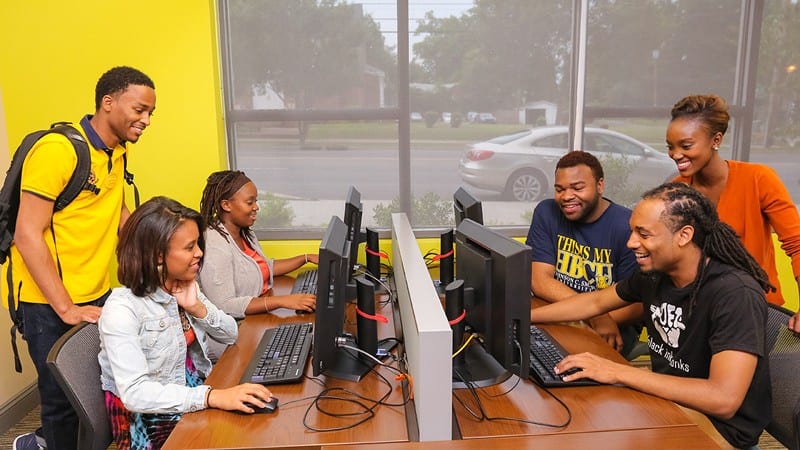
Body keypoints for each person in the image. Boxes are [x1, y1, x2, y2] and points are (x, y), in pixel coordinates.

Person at [531, 182, 772, 450]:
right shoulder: (656, 274)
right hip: (670, 406)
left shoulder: (734, 294)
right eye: (633, 231)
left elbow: (723, 400)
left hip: (717, 433)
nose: (631, 242)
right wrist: (524, 317)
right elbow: (594, 302)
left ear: (684, 235)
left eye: (643, 234)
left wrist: (618, 372)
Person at [6, 66, 155, 450]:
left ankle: (40, 443)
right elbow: (27, 233)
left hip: (96, 292)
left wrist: (157, 262)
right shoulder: (57, 151)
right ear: (108, 103)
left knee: (101, 389)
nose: (146, 120)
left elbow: (117, 215)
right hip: (46, 302)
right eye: (139, 109)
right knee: (61, 404)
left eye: (151, 113)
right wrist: (67, 308)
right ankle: (40, 442)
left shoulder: (116, 152)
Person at [98, 196, 274, 450]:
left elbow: (231, 333)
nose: (200, 253)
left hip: (189, 393)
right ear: (158, 256)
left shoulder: (181, 285)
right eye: (190, 247)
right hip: (150, 420)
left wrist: (197, 308)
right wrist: (212, 396)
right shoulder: (122, 310)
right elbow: (136, 393)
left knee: (259, 428)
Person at [667, 94, 800, 332]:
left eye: (686, 146)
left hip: (753, 309)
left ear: (716, 139)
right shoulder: (678, 189)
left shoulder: (758, 179)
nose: (676, 154)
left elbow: (796, 243)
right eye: (670, 146)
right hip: (696, 310)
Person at [526, 150, 644, 357]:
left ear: (600, 185)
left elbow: (638, 303)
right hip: (564, 315)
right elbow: (539, 279)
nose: (567, 196)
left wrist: (597, 318)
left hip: (610, 328)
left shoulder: (627, 226)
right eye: (559, 189)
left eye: (577, 187)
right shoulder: (547, 212)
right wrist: (593, 314)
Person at [198, 170, 317, 319]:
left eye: (256, 201)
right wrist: (281, 301)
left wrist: (306, 258)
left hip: (256, 313)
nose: (256, 207)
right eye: (250, 202)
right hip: (236, 326)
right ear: (226, 205)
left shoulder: (245, 233)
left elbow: (264, 268)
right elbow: (224, 305)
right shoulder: (215, 246)